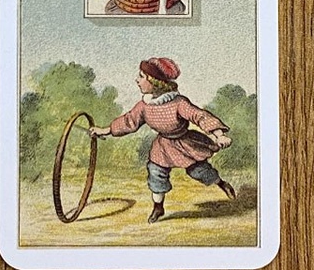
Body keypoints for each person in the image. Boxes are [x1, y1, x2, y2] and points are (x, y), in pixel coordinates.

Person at [90, 57, 235, 224]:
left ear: (155, 82)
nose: (137, 80)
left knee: (199, 171)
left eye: (141, 76)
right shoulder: (144, 105)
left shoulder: (178, 103)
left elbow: (199, 116)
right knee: (156, 172)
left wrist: (219, 135)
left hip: (184, 143)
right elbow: (128, 121)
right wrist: (105, 130)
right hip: (163, 146)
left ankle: (221, 184)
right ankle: (158, 207)